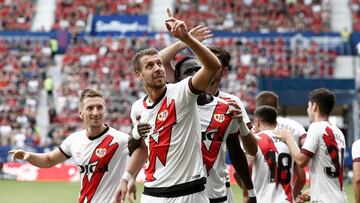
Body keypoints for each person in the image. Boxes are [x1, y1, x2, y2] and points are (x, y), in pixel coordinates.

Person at [115, 9, 221, 203]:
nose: (157, 68)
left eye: (159, 64)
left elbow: (213, 67)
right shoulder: (138, 108)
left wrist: (186, 38)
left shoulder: (183, 92)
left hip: (191, 193)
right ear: (139, 75)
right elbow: (142, 148)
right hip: (152, 194)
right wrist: (127, 177)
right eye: (149, 66)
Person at [159, 35, 257, 202]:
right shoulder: (177, 99)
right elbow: (158, 60)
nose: (199, 72)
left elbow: (241, 150)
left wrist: (250, 190)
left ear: (223, 71)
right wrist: (186, 40)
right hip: (182, 191)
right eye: (204, 60)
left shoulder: (230, 105)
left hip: (217, 189)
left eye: (210, 63)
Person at [9, 89, 130, 203]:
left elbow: (143, 151)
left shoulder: (121, 139)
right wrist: (28, 155)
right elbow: (49, 160)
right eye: (90, 108)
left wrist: (128, 178)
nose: (96, 112)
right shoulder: (74, 140)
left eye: (99, 107)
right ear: (81, 113)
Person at [275, 88, 348, 202]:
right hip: (340, 197)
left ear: (314, 106)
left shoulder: (316, 127)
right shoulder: (339, 133)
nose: (308, 110)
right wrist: (313, 190)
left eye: (308, 106)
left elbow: (301, 161)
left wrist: (289, 139)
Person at [255, 91, 306, 198]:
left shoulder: (252, 133)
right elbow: (302, 175)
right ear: (277, 108)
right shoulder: (295, 128)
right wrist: (293, 197)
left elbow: (240, 172)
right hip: (285, 196)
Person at [249, 105, 296, 202]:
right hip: (286, 200)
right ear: (276, 123)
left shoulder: (255, 139)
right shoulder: (289, 140)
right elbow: (301, 175)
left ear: (257, 121)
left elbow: (247, 166)